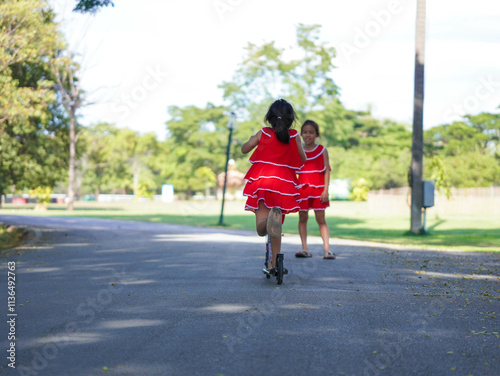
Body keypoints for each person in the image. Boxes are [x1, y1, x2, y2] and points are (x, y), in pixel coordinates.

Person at [241, 99, 306, 273]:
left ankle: (267, 221)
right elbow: (303, 159)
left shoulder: (263, 133)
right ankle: (274, 264)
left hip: (264, 182)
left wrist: (249, 140)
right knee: (276, 228)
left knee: (262, 229)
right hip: (284, 185)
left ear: (269, 118)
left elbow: (244, 149)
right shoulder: (294, 136)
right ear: (291, 120)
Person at [295, 120, 336, 259]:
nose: (308, 135)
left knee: (321, 218)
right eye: (305, 132)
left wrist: (325, 190)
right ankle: (304, 248)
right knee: (303, 217)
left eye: (311, 132)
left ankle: (327, 249)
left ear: (316, 134)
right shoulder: (298, 150)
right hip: (303, 190)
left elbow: (326, 171)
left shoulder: (322, 150)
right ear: (301, 134)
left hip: (319, 190)